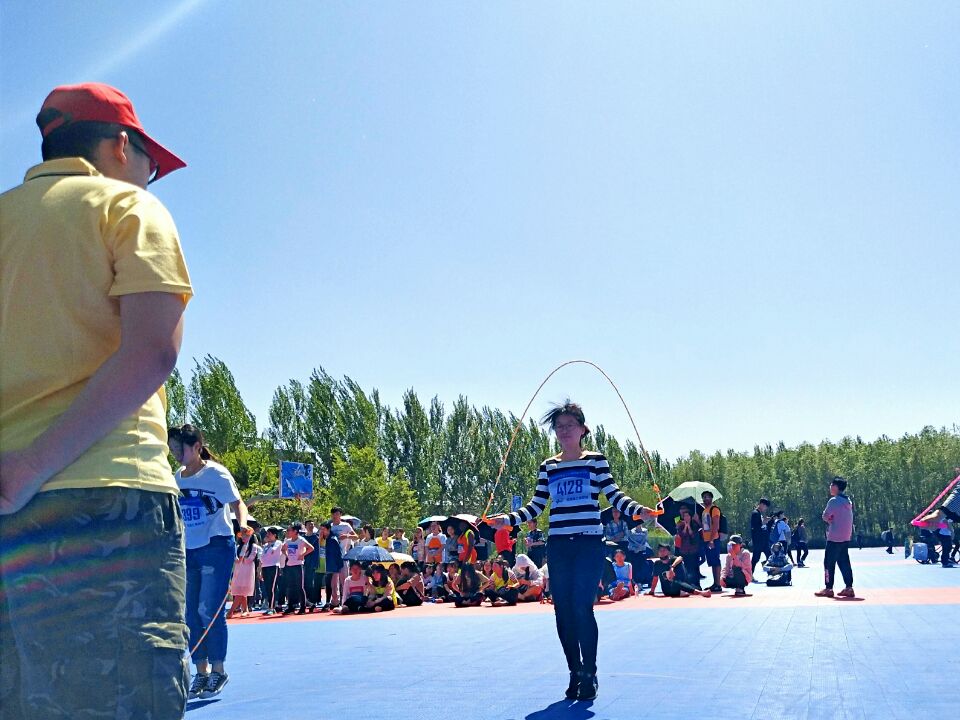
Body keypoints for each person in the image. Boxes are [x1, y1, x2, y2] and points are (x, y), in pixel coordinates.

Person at [0, 82, 192, 718]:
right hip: (109, 501)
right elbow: (151, 353)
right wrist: (31, 466)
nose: (150, 179)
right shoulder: (126, 208)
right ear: (120, 145)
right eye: (150, 165)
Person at [489, 401, 654, 702]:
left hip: (589, 544)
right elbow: (536, 506)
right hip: (559, 545)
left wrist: (638, 510)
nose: (564, 431)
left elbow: (614, 495)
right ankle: (574, 671)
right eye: (559, 427)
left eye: (570, 425)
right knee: (562, 610)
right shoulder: (548, 466)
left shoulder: (596, 461)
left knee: (582, 607)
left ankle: (590, 673)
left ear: (582, 429)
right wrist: (507, 520)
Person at [170, 425, 248, 699]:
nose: (176, 454)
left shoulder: (216, 474)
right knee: (190, 613)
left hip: (216, 546)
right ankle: (200, 672)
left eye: (180, 448)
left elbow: (238, 504)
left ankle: (218, 670)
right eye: (172, 449)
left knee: (208, 609)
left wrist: (242, 525)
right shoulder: (176, 479)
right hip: (189, 549)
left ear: (197, 447)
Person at [815, 477, 856, 598]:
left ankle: (828, 588)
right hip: (846, 536)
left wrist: (829, 519)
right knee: (844, 562)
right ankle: (849, 587)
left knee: (828, 563)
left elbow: (825, 516)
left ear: (836, 487)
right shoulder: (848, 501)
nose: (830, 487)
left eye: (832, 485)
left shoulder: (834, 501)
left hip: (834, 536)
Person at [648, 544, 712, 598]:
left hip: (679, 583)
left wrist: (672, 567)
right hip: (668, 590)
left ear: (668, 552)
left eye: (664, 550)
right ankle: (700, 593)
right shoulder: (657, 563)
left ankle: (684, 589)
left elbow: (680, 558)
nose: (662, 552)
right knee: (676, 583)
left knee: (679, 564)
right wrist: (652, 591)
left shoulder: (673, 559)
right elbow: (655, 578)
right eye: (660, 551)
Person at [281, 522, 314, 614]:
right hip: (289, 565)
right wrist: (287, 555)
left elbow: (311, 548)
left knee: (300, 587)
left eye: (289, 530)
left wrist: (302, 555)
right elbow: (283, 549)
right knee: (290, 587)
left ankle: (303, 607)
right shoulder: (288, 541)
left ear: (295, 531)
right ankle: (290, 607)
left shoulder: (301, 540)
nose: (288, 532)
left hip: (298, 565)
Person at [229, 527, 260, 617]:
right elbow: (236, 558)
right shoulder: (239, 547)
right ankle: (245, 609)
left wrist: (243, 559)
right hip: (239, 570)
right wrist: (237, 559)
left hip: (247, 570)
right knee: (240, 590)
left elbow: (250, 559)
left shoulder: (253, 546)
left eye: (245, 535)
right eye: (242, 535)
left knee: (242, 591)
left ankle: (230, 611)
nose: (243, 537)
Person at [674, 505, 702, 590]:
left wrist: (689, 526)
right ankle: (687, 585)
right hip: (684, 550)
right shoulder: (680, 525)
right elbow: (681, 535)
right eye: (685, 516)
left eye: (687, 516)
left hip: (693, 550)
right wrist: (685, 526)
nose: (686, 517)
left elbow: (693, 535)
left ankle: (697, 585)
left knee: (694, 568)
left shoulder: (695, 524)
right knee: (686, 568)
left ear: (690, 516)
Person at [701, 491, 723, 593]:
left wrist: (711, 540)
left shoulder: (714, 509)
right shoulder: (704, 511)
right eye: (704, 497)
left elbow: (715, 525)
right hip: (706, 539)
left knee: (715, 561)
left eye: (708, 497)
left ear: (711, 498)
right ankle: (715, 583)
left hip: (713, 539)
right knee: (712, 562)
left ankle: (718, 584)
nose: (706, 499)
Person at [260, 527, 284, 614]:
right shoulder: (265, 545)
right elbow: (262, 557)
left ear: (275, 535)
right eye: (267, 534)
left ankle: (272, 607)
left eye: (269, 534)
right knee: (267, 588)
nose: (267, 535)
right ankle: (270, 607)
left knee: (272, 588)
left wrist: (269, 545)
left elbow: (272, 551)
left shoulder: (278, 543)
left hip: (274, 566)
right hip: (265, 567)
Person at [320, 522, 345, 609]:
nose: (322, 531)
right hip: (325, 565)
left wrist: (339, 565)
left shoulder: (333, 539)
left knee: (334, 585)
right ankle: (329, 602)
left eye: (323, 529)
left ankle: (337, 602)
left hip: (333, 565)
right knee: (328, 584)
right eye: (321, 529)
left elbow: (338, 553)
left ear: (328, 530)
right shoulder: (322, 539)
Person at [626, 522, 653, 590]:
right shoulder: (631, 531)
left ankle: (646, 580)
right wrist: (636, 548)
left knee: (643, 564)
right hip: (633, 550)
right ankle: (636, 582)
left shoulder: (645, 530)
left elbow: (645, 540)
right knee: (634, 565)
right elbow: (630, 539)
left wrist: (640, 547)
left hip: (642, 549)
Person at [302, 520, 322, 606]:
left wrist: (316, 562)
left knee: (313, 582)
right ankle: (306, 599)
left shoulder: (316, 538)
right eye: (309, 525)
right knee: (305, 581)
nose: (311, 526)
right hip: (304, 562)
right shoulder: (302, 538)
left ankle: (315, 599)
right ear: (305, 526)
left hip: (313, 562)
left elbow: (317, 551)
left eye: (312, 525)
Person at [750, 498, 772, 573]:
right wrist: (763, 522)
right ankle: (749, 574)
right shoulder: (755, 513)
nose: (766, 508)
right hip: (758, 540)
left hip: (763, 541)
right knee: (756, 558)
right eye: (765, 506)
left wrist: (765, 521)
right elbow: (755, 527)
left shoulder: (760, 514)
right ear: (762, 504)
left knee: (769, 556)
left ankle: (772, 573)